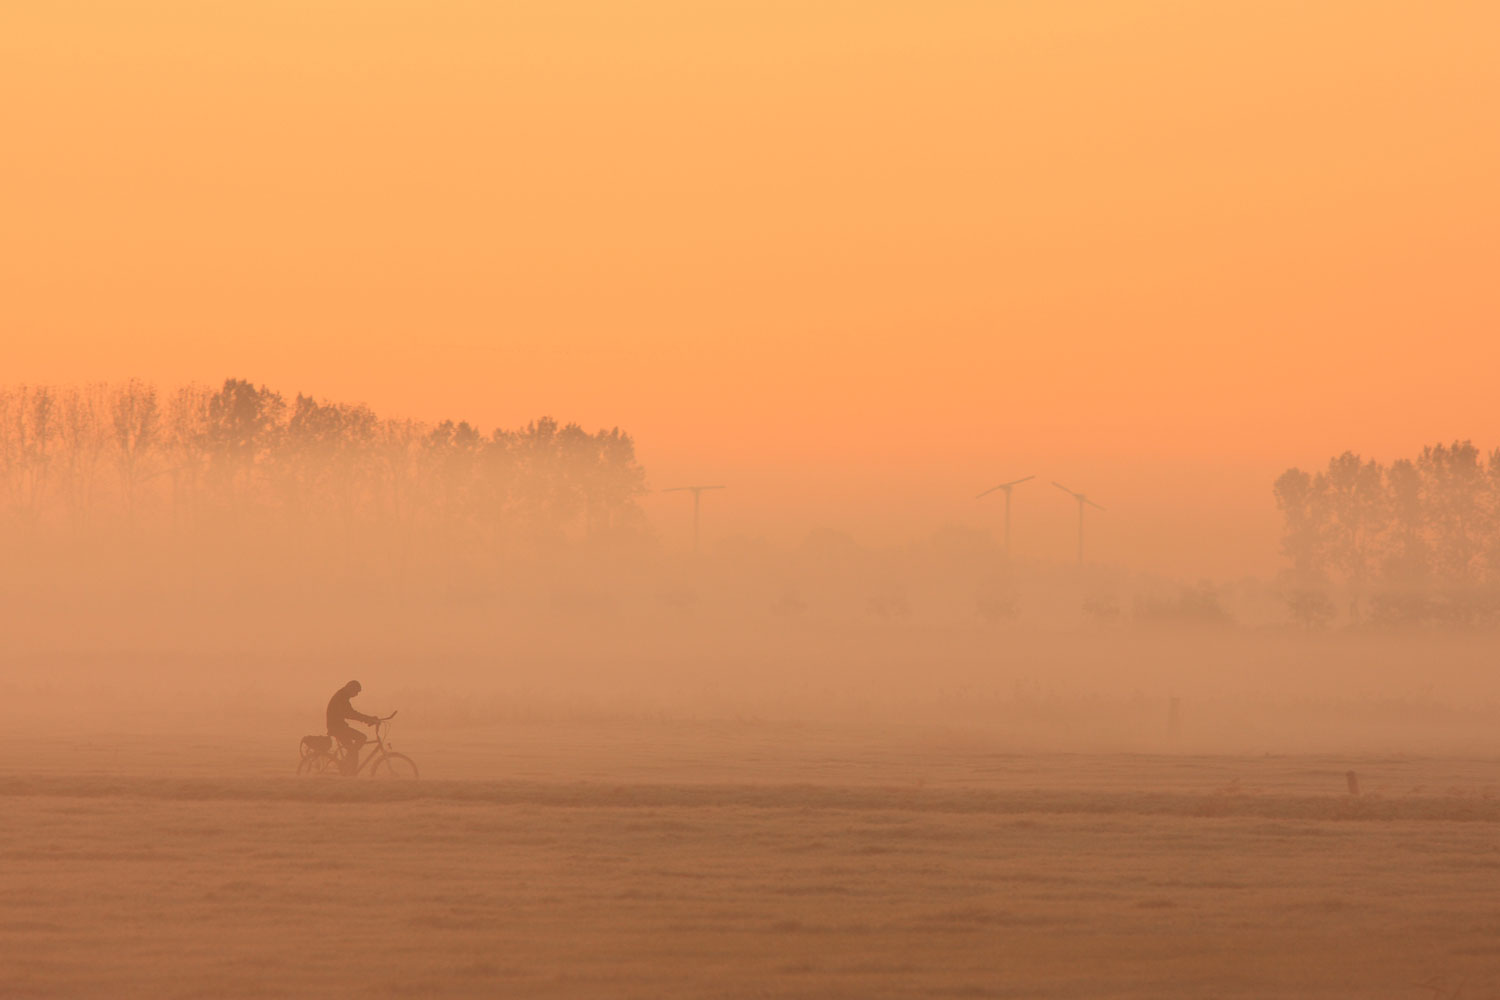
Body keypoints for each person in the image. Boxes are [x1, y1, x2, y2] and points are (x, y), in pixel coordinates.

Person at [327, 680, 379, 775]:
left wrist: (368, 719)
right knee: (360, 739)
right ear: (350, 688)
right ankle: (348, 767)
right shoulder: (341, 697)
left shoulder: (343, 696)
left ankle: (348, 767)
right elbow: (350, 714)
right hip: (337, 728)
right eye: (356, 692)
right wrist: (368, 719)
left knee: (353, 749)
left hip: (339, 727)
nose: (356, 695)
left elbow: (350, 713)